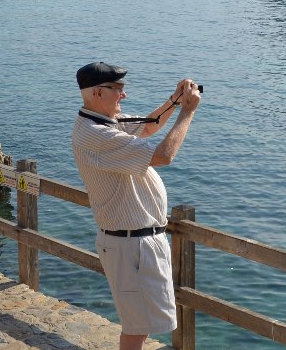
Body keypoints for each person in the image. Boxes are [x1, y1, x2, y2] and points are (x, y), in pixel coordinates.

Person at [71, 62, 201, 349]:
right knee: (136, 327)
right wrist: (187, 111)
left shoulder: (104, 121)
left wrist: (175, 99)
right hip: (131, 245)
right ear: (97, 92)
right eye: (118, 89)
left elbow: (149, 125)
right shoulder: (95, 134)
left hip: (136, 242)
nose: (124, 95)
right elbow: (164, 155)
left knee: (139, 326)